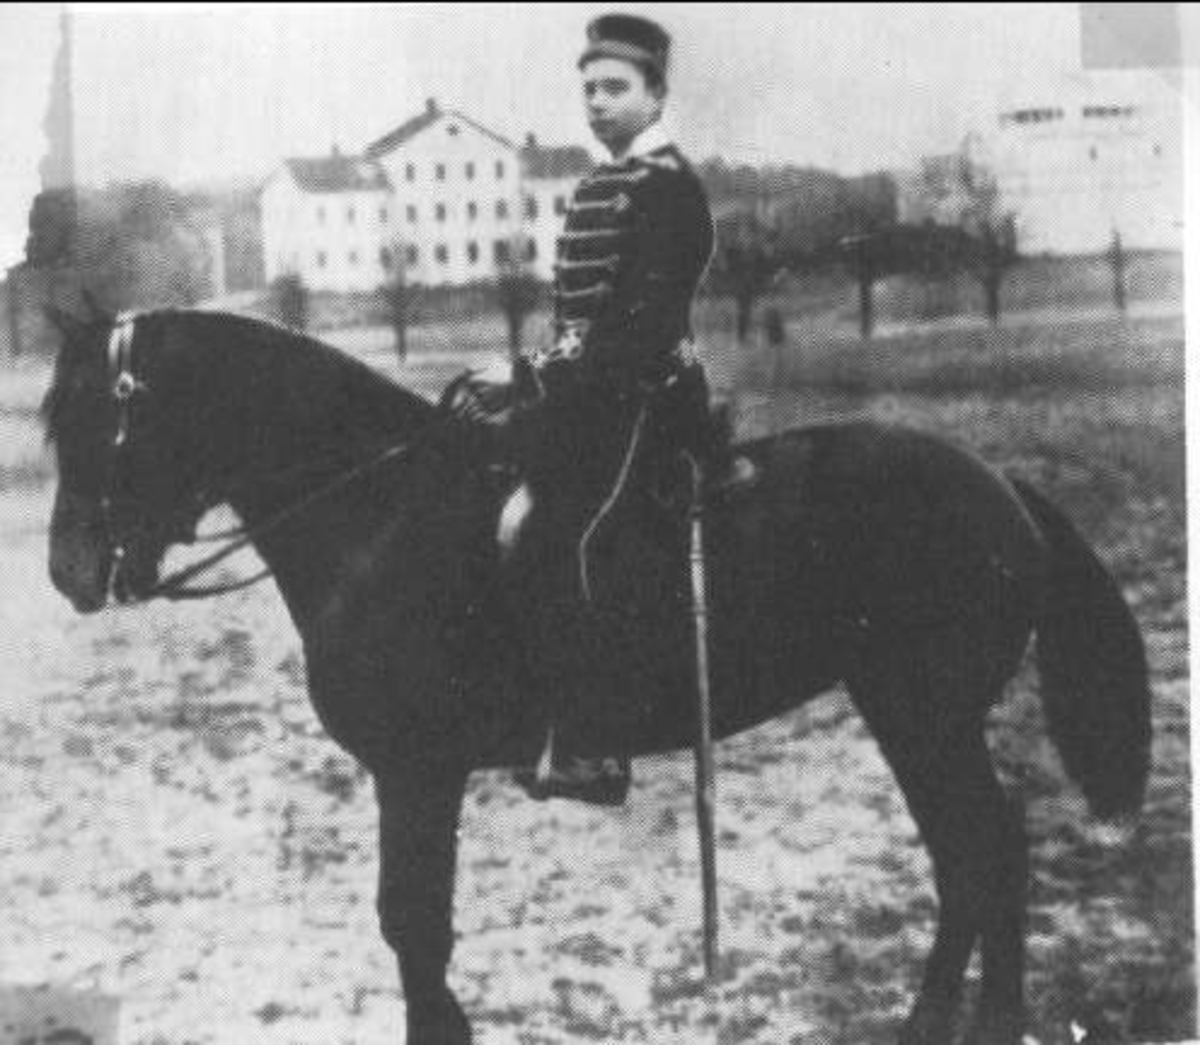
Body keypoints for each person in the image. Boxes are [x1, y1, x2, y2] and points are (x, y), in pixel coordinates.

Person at [512, 13, 716, 805]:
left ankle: (597, 746)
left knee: (579, 531)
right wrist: (531, 372)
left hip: (649, 395)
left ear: (656, 96)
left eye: (615, 87)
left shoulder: (670, 191)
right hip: (596, 392)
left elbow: (638, 327)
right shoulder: (601, 183)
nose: (597, 102)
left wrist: (545, 372)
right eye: (589, 89)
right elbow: (578, 321)